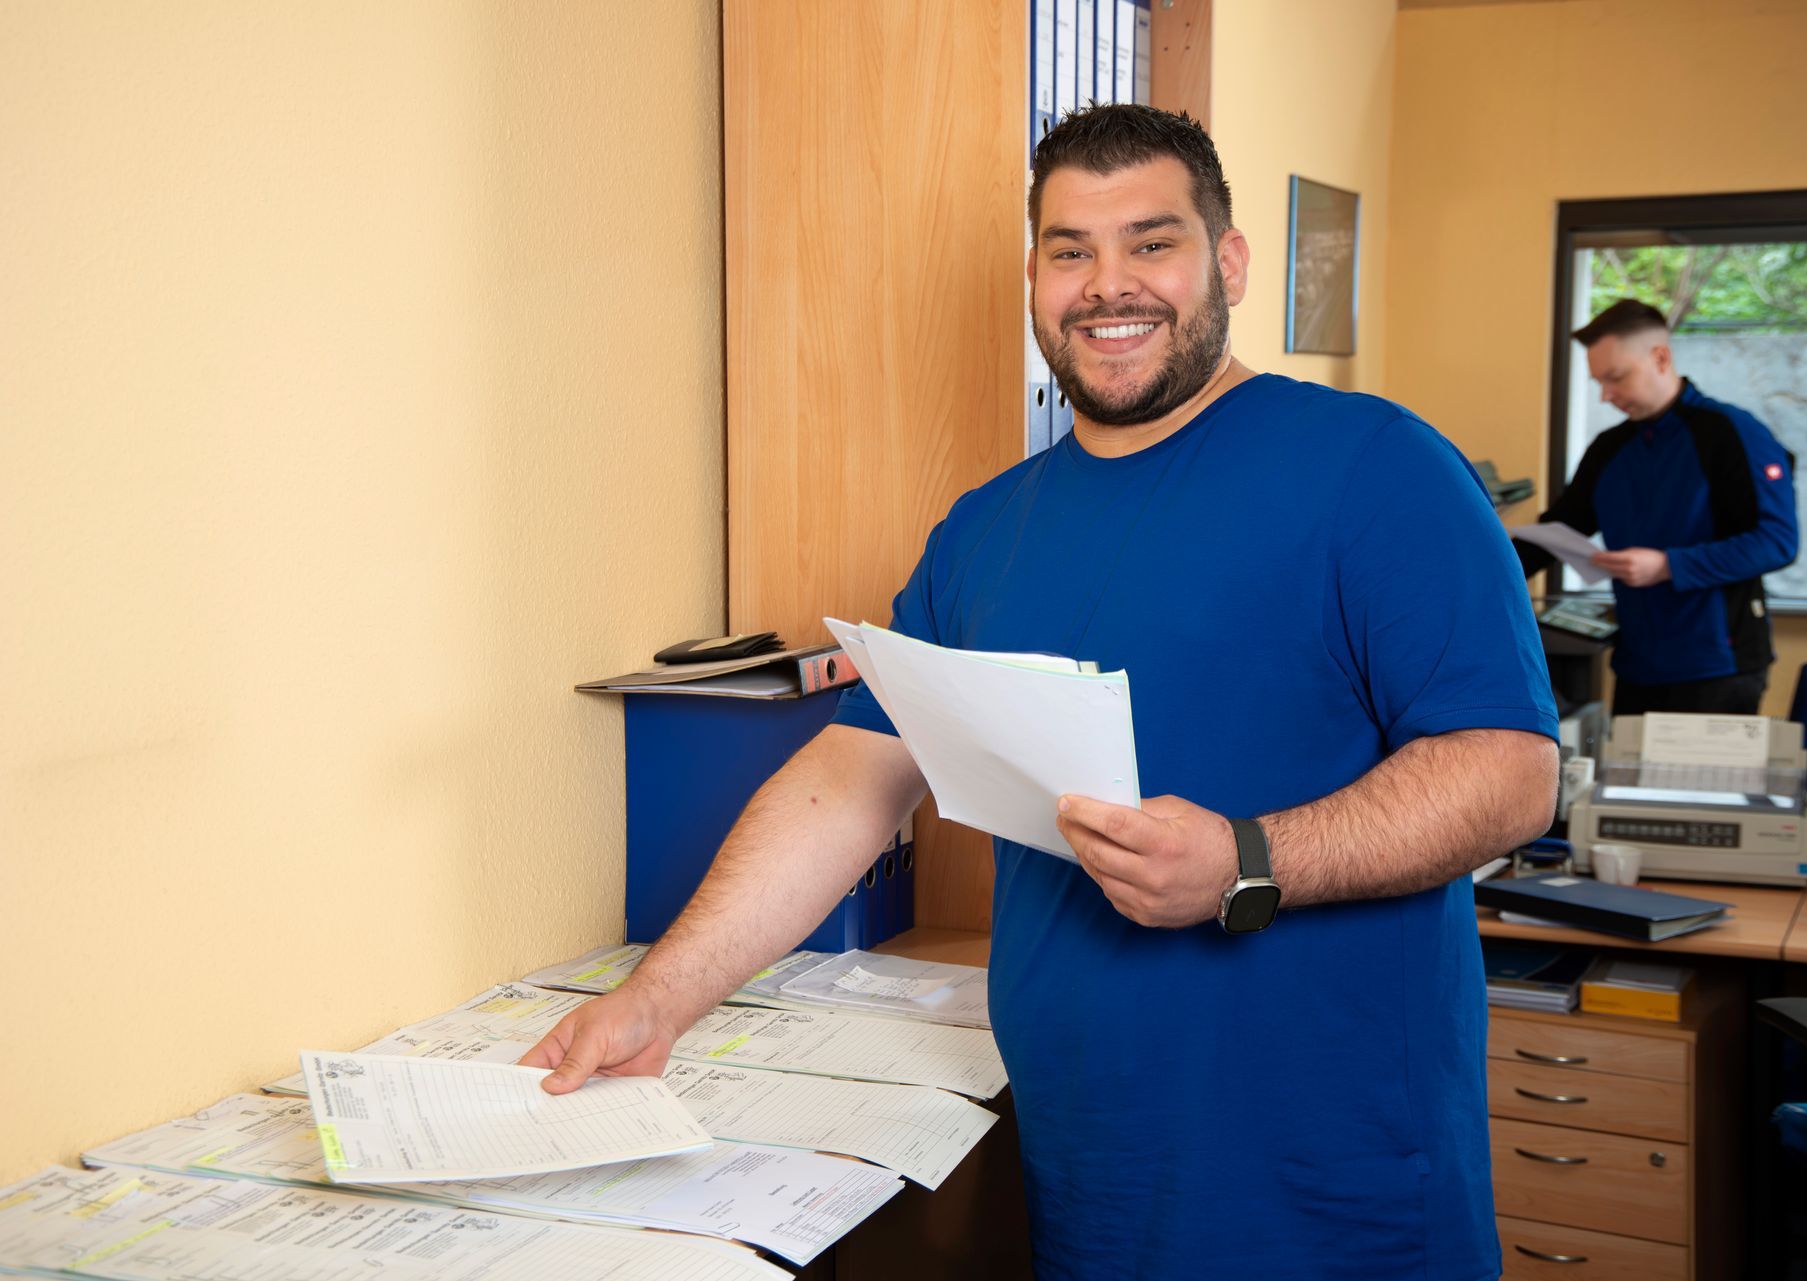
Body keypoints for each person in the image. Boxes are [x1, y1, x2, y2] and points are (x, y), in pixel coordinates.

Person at [523, 104, 1559, 1280]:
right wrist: (657, 1001)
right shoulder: (985, 531)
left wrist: (1247, 861)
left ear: (1226, 262)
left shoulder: (1376, 468)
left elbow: (1510, 771)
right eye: (1071, 251)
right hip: (1095, 1178)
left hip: (1327, 1188)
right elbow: (851, 783)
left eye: (1150, 242)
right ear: (1034, 274)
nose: (1108, 285)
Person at [1517, 299, 1798, 715]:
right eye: (1599, 382)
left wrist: (1668, 565)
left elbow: (1777, 542)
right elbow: (1557, 531)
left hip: (1719, 666)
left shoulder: (1732, 433)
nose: (1606, 395)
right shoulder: (1610, 449)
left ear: (1661, 358)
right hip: (1637, 663)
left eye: (1615, 378)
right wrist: (1481, 576)